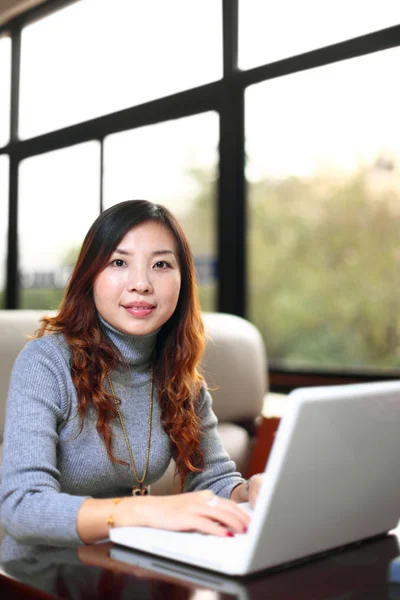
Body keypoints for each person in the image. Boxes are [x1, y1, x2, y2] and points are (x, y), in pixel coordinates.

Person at [0, 200, 262, 546]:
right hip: (43, 571)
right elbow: (21, 507)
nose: (141, 283)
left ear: (183, 280)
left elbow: (213, 479)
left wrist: (249, 493)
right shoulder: (46, 362)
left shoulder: (179, 374)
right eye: (119, 262)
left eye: (161, 264)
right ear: (90, 276)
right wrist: (145, 512)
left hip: (131, 563)